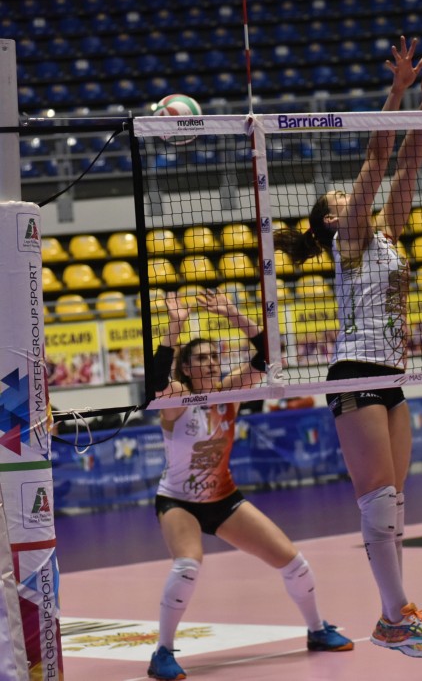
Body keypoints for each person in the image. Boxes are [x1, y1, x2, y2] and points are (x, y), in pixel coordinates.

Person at [274, 39, 422, 658]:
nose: (352, 200)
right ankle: (396, 617)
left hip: (390, 373)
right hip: (354, 371)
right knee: (378, 500)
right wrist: (397, 93)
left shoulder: (387, 237)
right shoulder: (348, 239)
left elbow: (406, 168)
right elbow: (379, 159)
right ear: (333, 220)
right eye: (342, 200)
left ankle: (391, 618)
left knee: (395, 504)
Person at [146, 290, 353, 681]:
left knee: (295, 564)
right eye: (200, 358)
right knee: (188, 564)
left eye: (214, 356)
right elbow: (156, 381)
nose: (210, 362)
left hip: (224, 498)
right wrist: (175, 325)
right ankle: (163, 651)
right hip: (178, 502)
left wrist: (234, 315)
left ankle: (316, 629)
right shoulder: (176, 399)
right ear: (186, 368)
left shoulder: (232, 392)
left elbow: (270, 356)